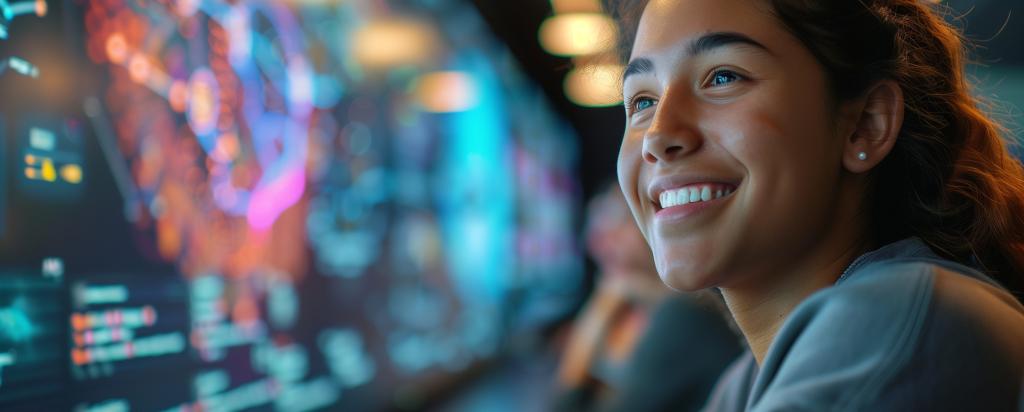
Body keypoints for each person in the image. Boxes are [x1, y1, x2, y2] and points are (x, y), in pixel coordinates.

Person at [607, 0, 1024, 410]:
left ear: (866, 125)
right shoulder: (742, 385)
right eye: (642, 102)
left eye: (722, 77)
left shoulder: (895, 320)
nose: (658, 136)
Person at [554, 183, 741, 412]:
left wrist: (593, 324)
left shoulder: (683, 317)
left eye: (618, 217)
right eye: (595, 222)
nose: (600, 239)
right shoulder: (651, 308)